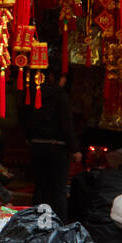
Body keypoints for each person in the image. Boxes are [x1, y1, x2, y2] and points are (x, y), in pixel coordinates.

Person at [19, 64, 79, 221]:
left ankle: (38, 224)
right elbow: (67, 126)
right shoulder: (61, 97)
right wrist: (75, 149)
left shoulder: (33, 94)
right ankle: (59, 227)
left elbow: (24, 119)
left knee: (40, 188)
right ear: (55, 77)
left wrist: (30, 138)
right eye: (64, 77)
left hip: (37, 146)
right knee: (58, 190)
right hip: (57, 148)